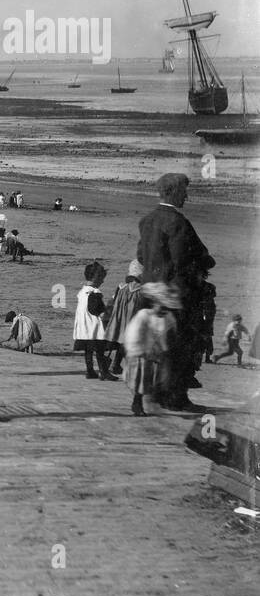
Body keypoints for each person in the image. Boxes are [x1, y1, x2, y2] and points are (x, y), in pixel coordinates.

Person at [136, 172, 214, 411]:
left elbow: (141, 256)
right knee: (181, 346)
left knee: (155, 346)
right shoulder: (178, 222)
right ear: (173, 192)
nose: (186, 196)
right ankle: (176, 398)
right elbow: (182, 259)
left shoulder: (147, 220)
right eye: (184, 192)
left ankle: (156, 393)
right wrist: (204, 264)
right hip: (174, 294)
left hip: (148, 290)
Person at [123, 282, 180, 417]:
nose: (163, 311)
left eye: (166, 308)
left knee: (152, 380)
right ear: (155, 302)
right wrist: (137, 349)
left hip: (156, 355)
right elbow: (133, 333)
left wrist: (165, 349)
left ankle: (153, 401)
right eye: (162, 306)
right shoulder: (144, 315)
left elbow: (168, 334)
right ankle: (137, 403)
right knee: (140, 380)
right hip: (140, 354)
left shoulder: (168, 318)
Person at [73, 260, 115, 381]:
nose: (103, 281)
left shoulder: (83, 292)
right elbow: (96, 310)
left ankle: (90, 371)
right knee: (100, 351)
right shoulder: (94, 293)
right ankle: (104, 372)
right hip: (94, 327)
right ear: (96, 278)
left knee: (88, 350)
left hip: (83, 326)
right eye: (101, 277)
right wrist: (107, 311)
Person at [103, 260, 143, 376]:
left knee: (122, 341)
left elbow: (114, 301)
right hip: (133, 321)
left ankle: (116, 364)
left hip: (120, 320)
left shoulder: (121, 287)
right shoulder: (142, 290)